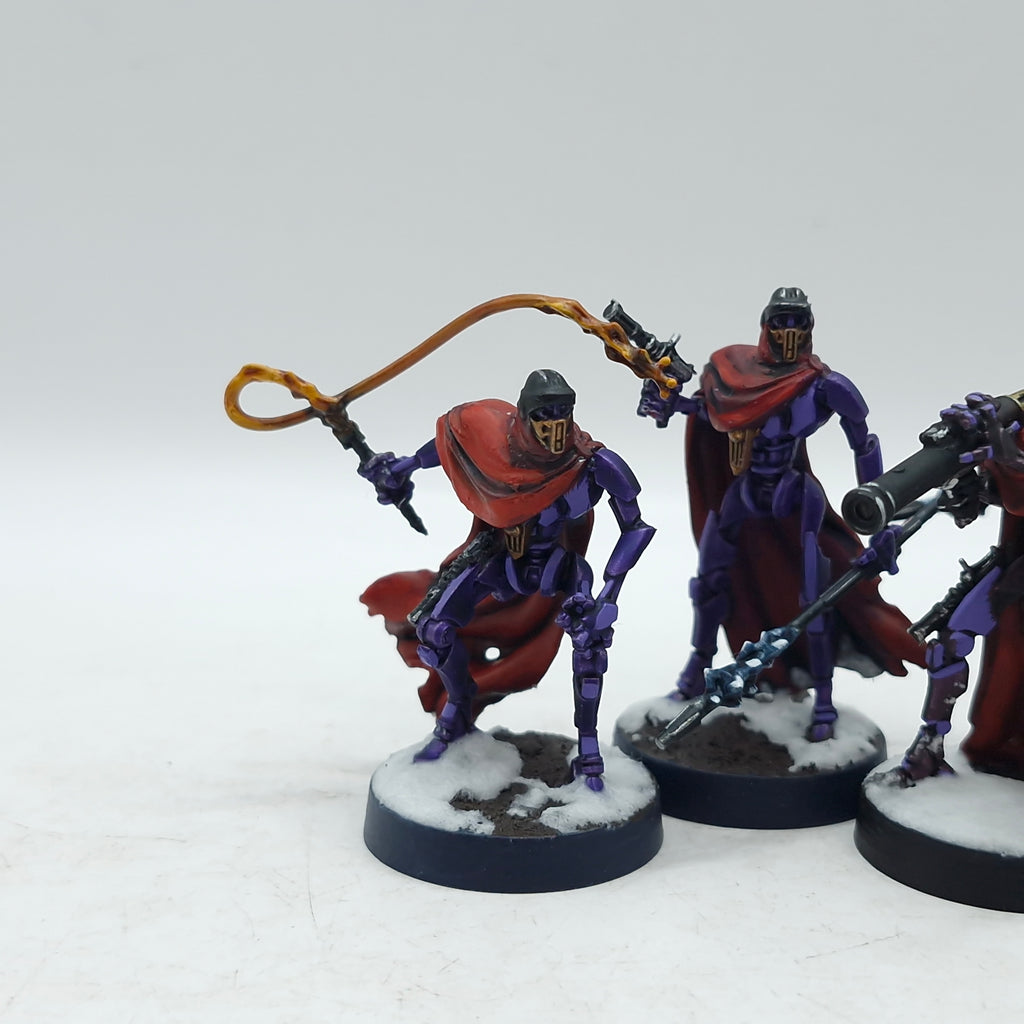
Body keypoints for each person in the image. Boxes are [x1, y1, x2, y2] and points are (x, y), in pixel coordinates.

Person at [357, 369, 654, 790]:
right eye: (545, 415)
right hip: (500, 559)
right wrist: (404, 466)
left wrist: (609, 592)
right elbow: (449, 447)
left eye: (563, 413)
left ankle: (588, 749)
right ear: (525, 415)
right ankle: (458, 708)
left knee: (590, 643)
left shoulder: (590, 463)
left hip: (557, 564)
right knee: (435, 630)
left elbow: (636, 526)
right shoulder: (499, 449)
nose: (555, 426)